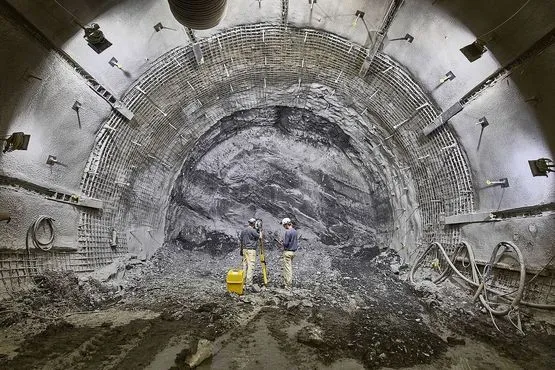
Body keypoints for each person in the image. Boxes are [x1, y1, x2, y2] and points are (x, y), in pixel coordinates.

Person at [239, 218, 262, 288]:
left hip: (244, 250)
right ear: (254, 223)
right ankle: (249, 283)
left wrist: (241, 250)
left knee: (244, 266)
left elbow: (241, 241)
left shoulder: (243, 231)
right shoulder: (252, 230)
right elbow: (260, 237)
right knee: (250, 266)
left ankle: (242, 281)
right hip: (251, 250)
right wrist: (260, 230)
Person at [280, 217, 298, 289]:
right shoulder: (295, 231)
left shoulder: (288, 232)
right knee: (289, 268)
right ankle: (287, 283)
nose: (284, 227)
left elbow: (286, 244)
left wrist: (282, 243)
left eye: (284, 225)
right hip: (293, 252)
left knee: (287, 269)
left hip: (287, 252)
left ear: (286, 224)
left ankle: (288, 284)